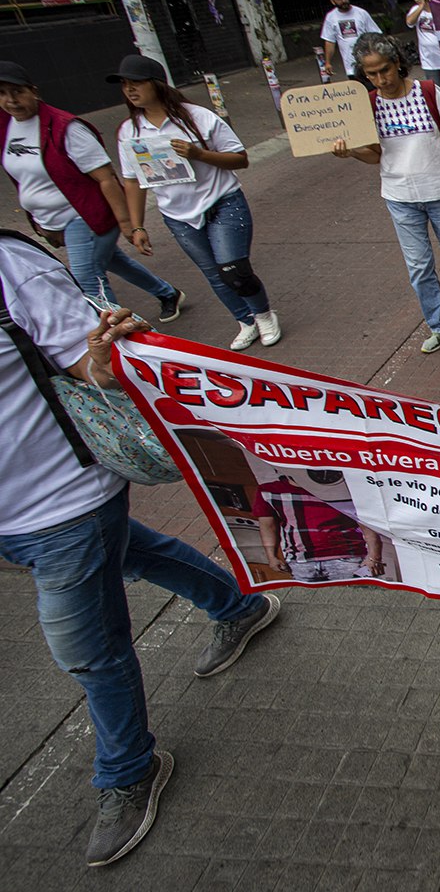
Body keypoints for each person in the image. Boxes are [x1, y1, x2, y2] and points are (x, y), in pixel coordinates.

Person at [0, 234, 280, 866]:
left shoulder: (9, 268)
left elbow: (92, 368)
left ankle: (128, 770)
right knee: (127, 551)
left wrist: (109, 354)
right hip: (21, 525)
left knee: (89, 650)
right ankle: (239, 607)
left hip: (62, 503)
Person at [110, 55, 282, 351]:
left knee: (232, 269)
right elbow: (133, 180)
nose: (129, 89)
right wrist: (137, 226)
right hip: (178, 216)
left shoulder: (198, 118)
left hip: (222, 202)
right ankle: (245, 321)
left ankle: (264, 315)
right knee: (214, 274)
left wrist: (198, 154)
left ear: (157, 83)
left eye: (136, 82)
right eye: (124, 84)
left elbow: (240, 159)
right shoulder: (130, 131)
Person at [332, 33, 440, 355]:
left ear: (397, 63)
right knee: (419, 267)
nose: (380, 79)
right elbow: (375, 154)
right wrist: (352, 152)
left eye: (385, 70)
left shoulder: (427, 91)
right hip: (399, 196)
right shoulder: (368, 105)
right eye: (371, 74)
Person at [0, 61, 184, 320]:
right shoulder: (6, 127)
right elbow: (26, 179)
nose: (11, 100)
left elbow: (106, 177)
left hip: (84, 216)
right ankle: (167, 293)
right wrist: (40, 220)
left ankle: (123, 335)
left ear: (34, 91)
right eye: (2, 94)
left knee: (87, 278)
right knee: (111, 260)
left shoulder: (65, 127)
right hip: (55, 220)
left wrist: (127, 224)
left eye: (18, 92)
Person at [254, 469, 384, 581]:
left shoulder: (343, 488)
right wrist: (271, 556)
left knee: (352, 598)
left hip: (347, 557)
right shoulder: (269, 491)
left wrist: (374, 556)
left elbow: (365, 520)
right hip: (300, 561)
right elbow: (268, 526)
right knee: (309, 600)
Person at [320, 0, 382, 88]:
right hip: (351, 67)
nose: (343, 0)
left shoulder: (361, 13)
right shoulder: (331, 17)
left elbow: (376, 35)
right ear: (332, 1)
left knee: (374, 91)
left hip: (368, 62)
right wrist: (328, 62)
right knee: (359, 93)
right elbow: (330, 42)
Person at [405, 0, 440, 94]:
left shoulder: (439, 9)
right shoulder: (416, 9)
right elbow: (409, 22)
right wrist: (421, 6)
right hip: (429, 60)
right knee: (435, 91)